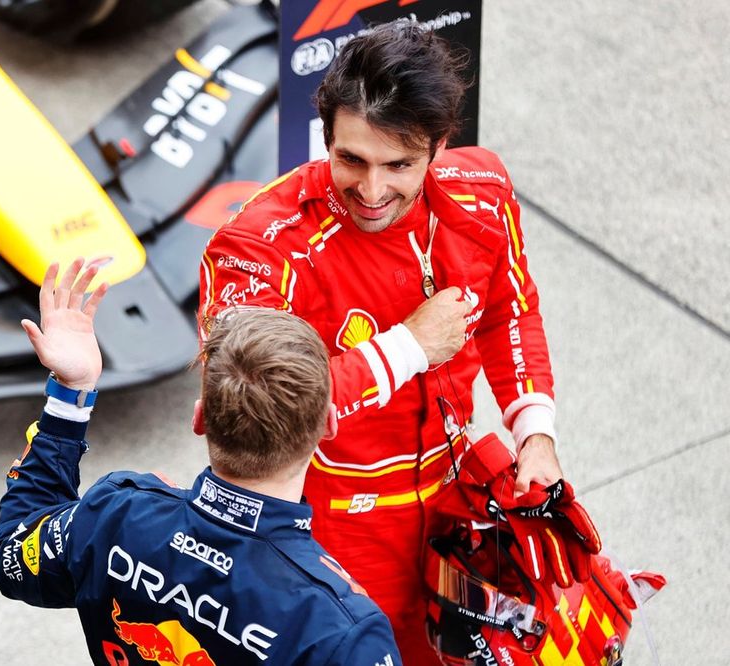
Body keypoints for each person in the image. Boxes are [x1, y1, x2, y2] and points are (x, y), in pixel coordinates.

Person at [198, 23, 562, 665]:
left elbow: (510, 311)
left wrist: (535, 434)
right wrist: (407, 348)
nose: (371, 192)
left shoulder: (485, 192)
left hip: (463, 506)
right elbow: (241, 408)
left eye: (399, 165)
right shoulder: (259, 246)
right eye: (351, 160)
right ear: (326, 139)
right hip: (331, 527)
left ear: (439, 146)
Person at [0, 258, 402, 666]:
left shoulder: (115, 515)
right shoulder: (343, 631)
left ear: (199, 417)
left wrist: (72, 392)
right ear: (329, 423)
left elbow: (12, 555)